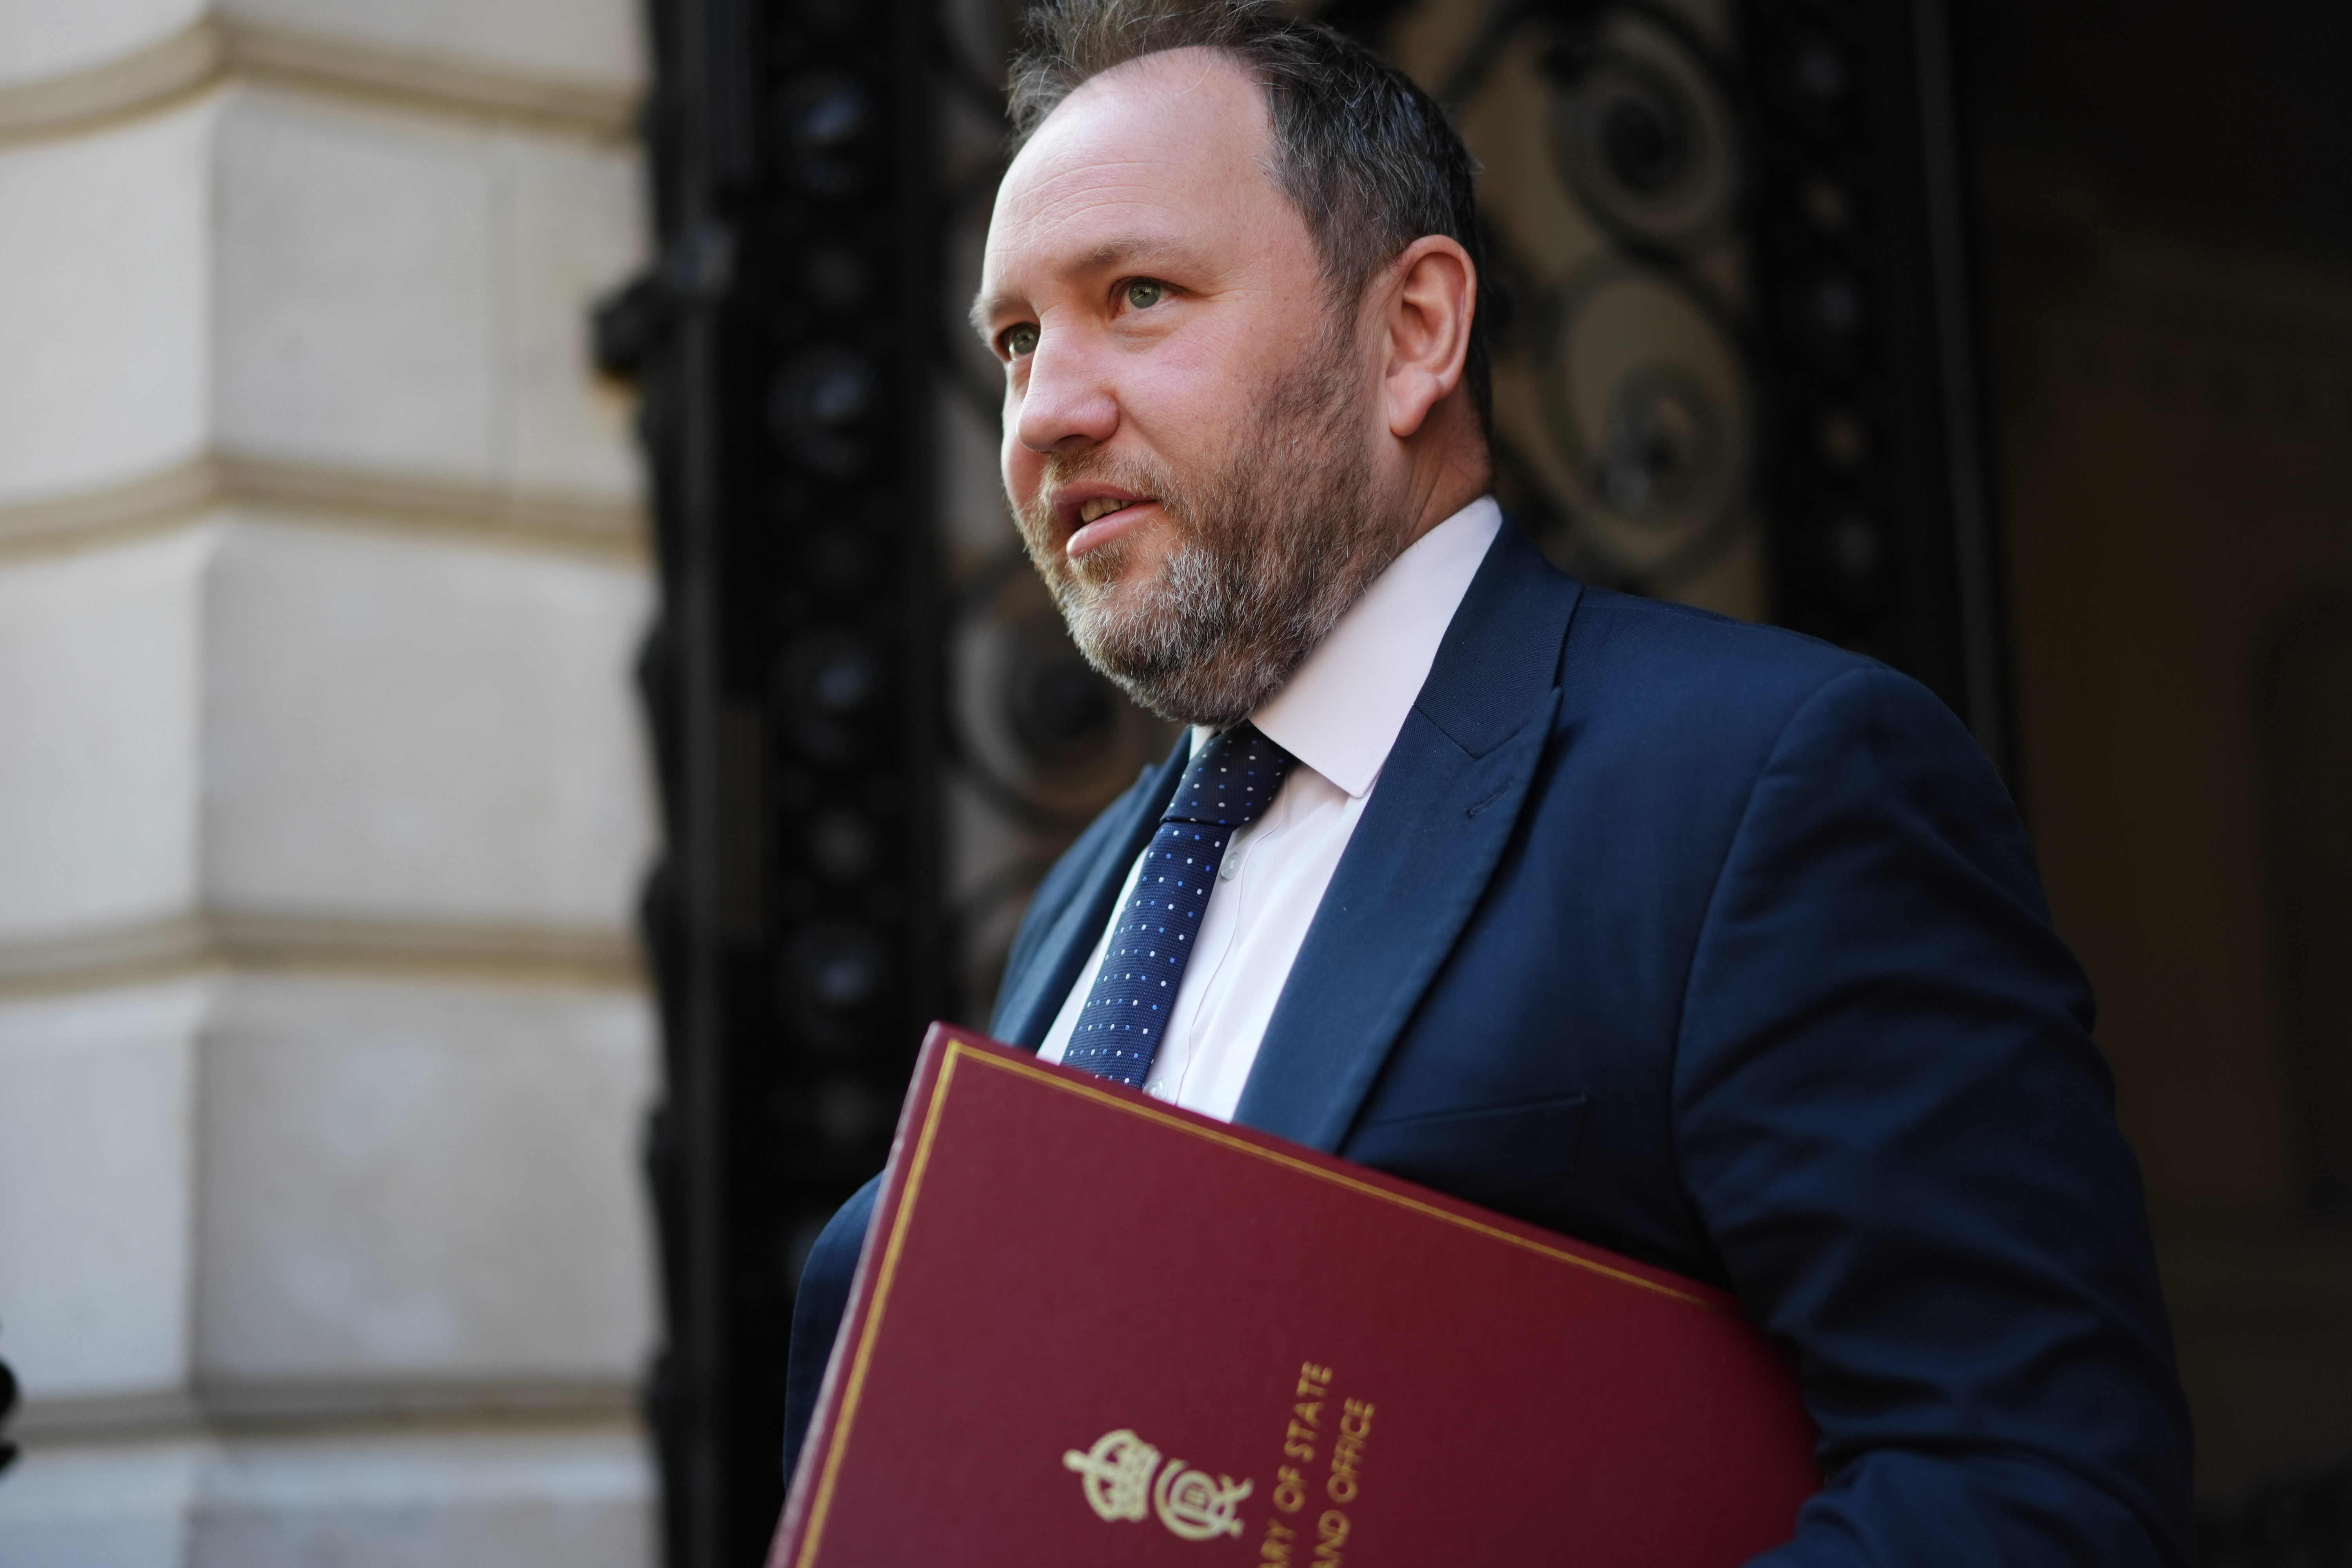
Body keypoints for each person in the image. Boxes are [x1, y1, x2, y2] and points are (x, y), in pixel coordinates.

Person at [784, 2, 2195, 1560]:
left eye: (1138, 294)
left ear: (1414, 336)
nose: (1047, 411)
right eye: (1017, 341)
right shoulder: (1086, 899)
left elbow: (2036, 1488)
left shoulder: (1772, 786)